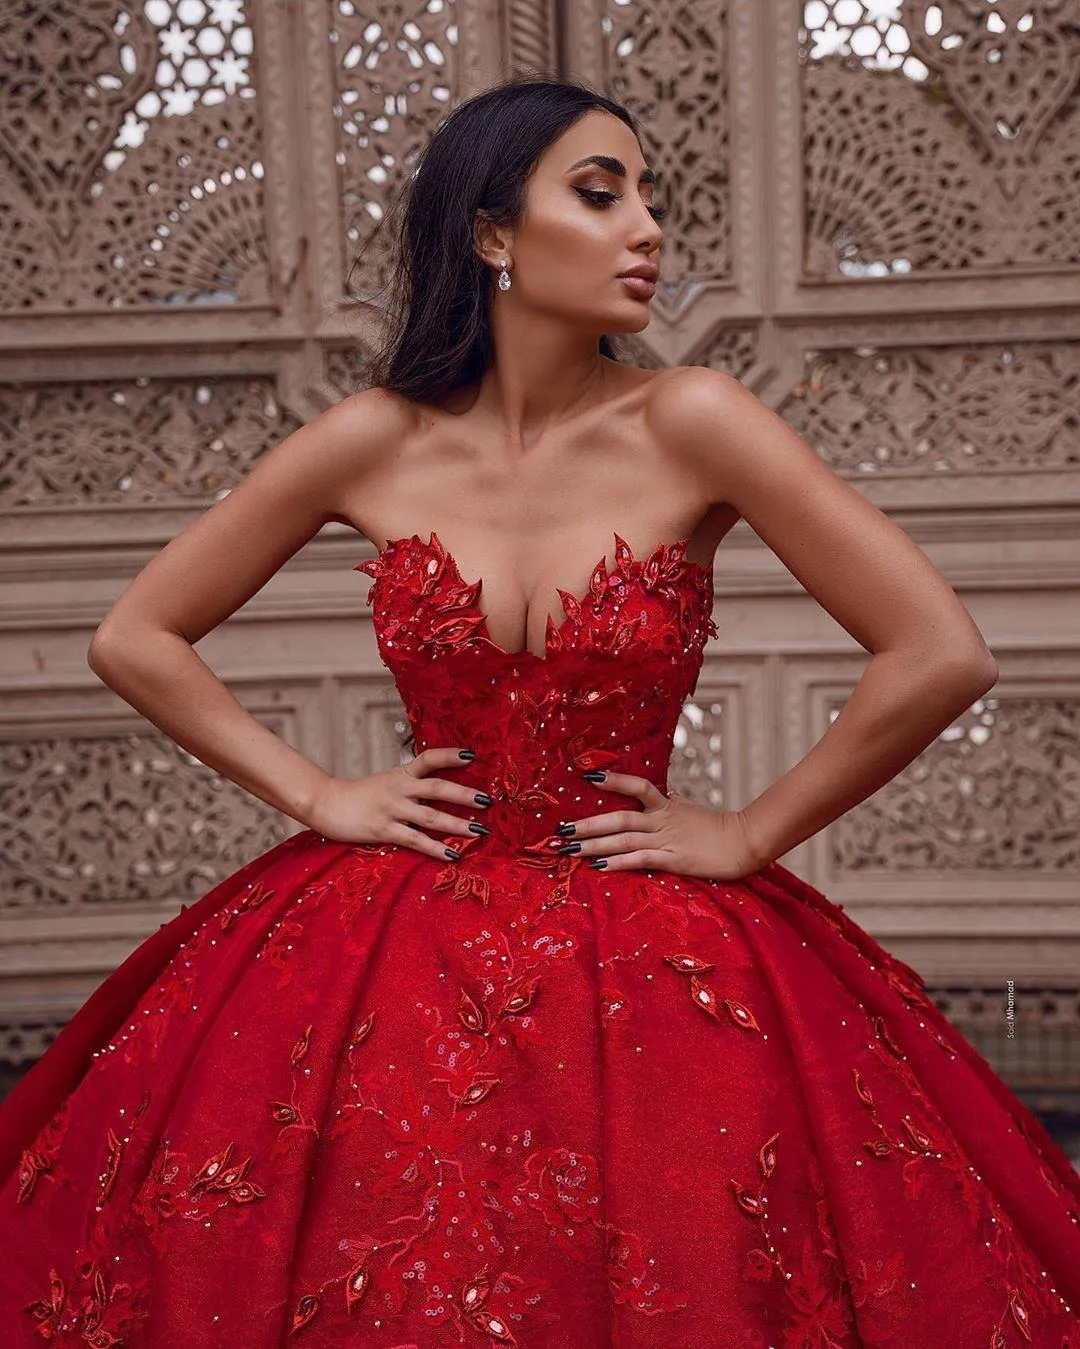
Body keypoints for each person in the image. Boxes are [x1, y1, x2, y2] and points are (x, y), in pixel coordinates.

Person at [0, 72, 1077, 1348]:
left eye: (652, 198)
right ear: (491, 234)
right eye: (601, 192)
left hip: (651, 940)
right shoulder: (373, 438)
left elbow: (938, 649)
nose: (649, 229)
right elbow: (136, 634)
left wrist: (747, 832)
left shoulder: (694, 418)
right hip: (398, 921)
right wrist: (321, 793)